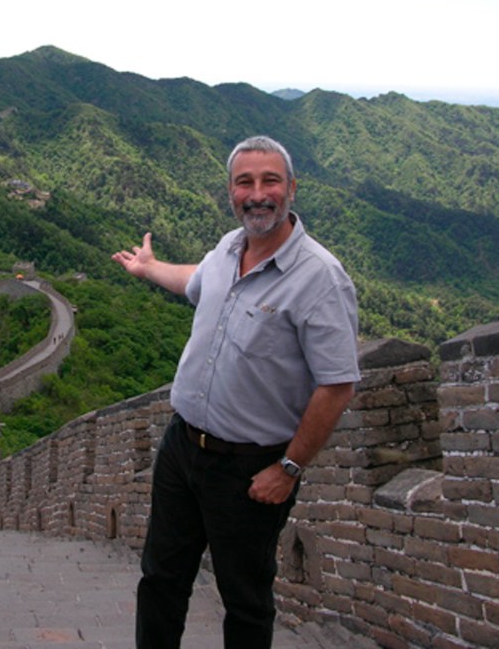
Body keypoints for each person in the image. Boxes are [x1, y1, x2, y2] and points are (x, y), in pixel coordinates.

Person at [111, 135, 360, 649]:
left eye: (270, 180)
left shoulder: (319, 277)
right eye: (245, 182)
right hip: (182, 448)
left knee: (245, 600)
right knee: (160, 579)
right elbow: (196, 282)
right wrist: (149, 269)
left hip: (250, 467)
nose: (258, 193)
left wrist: (289, 468)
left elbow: (337, 383)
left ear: (292, 188)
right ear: (231, 192)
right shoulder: (229, 247)